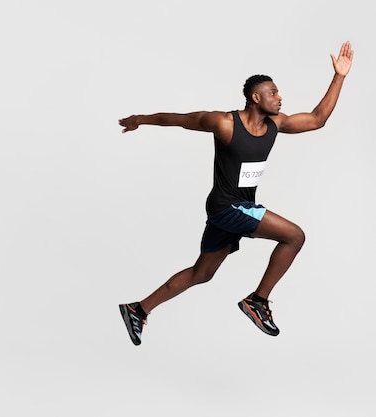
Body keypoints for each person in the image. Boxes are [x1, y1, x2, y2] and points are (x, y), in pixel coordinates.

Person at [118, 41, 354, 345]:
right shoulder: (224, 123)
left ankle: (138, 309)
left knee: (202, 273)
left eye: (279, 93)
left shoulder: (276, 124)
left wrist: (339, 77)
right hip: (228, 207)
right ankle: (258, 301)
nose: (280, 98)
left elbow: (317, 119)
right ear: (255, 98)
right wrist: (141, 119)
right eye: (273, 93)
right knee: (295, 236)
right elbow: (178, 119)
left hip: (236, 209)